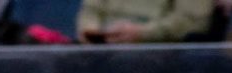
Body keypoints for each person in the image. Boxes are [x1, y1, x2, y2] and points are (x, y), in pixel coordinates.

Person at [77, 0, 213, 43]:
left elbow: (192, 22)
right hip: (102, 53)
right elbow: (90, 11)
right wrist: (92, 33)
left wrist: (142, 33)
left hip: (159, 59)